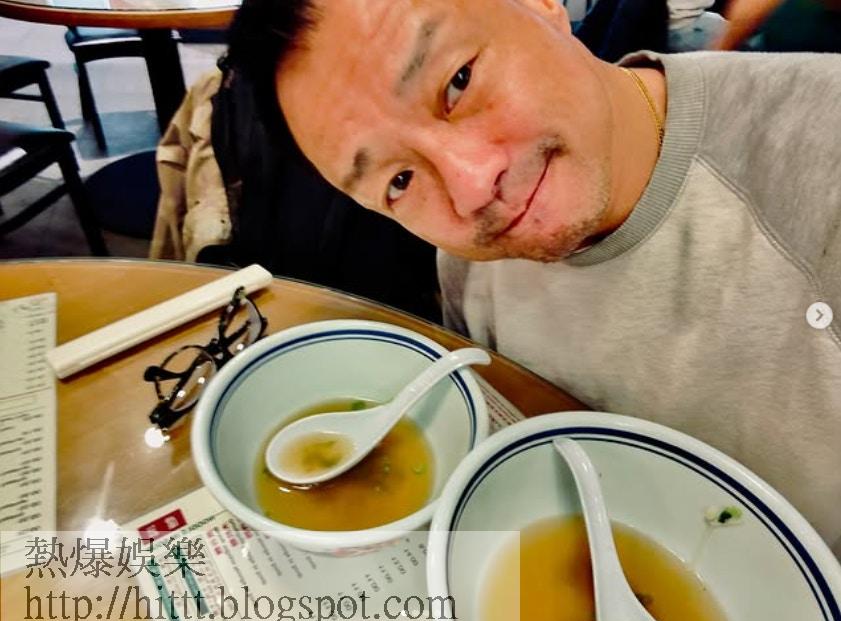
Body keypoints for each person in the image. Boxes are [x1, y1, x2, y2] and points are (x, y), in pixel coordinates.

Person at [226, 0, 841, 556]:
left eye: (458, 81)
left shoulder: (820, 155)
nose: (472, 186)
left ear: (542, 4)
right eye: (400, 181)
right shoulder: (467, 263)